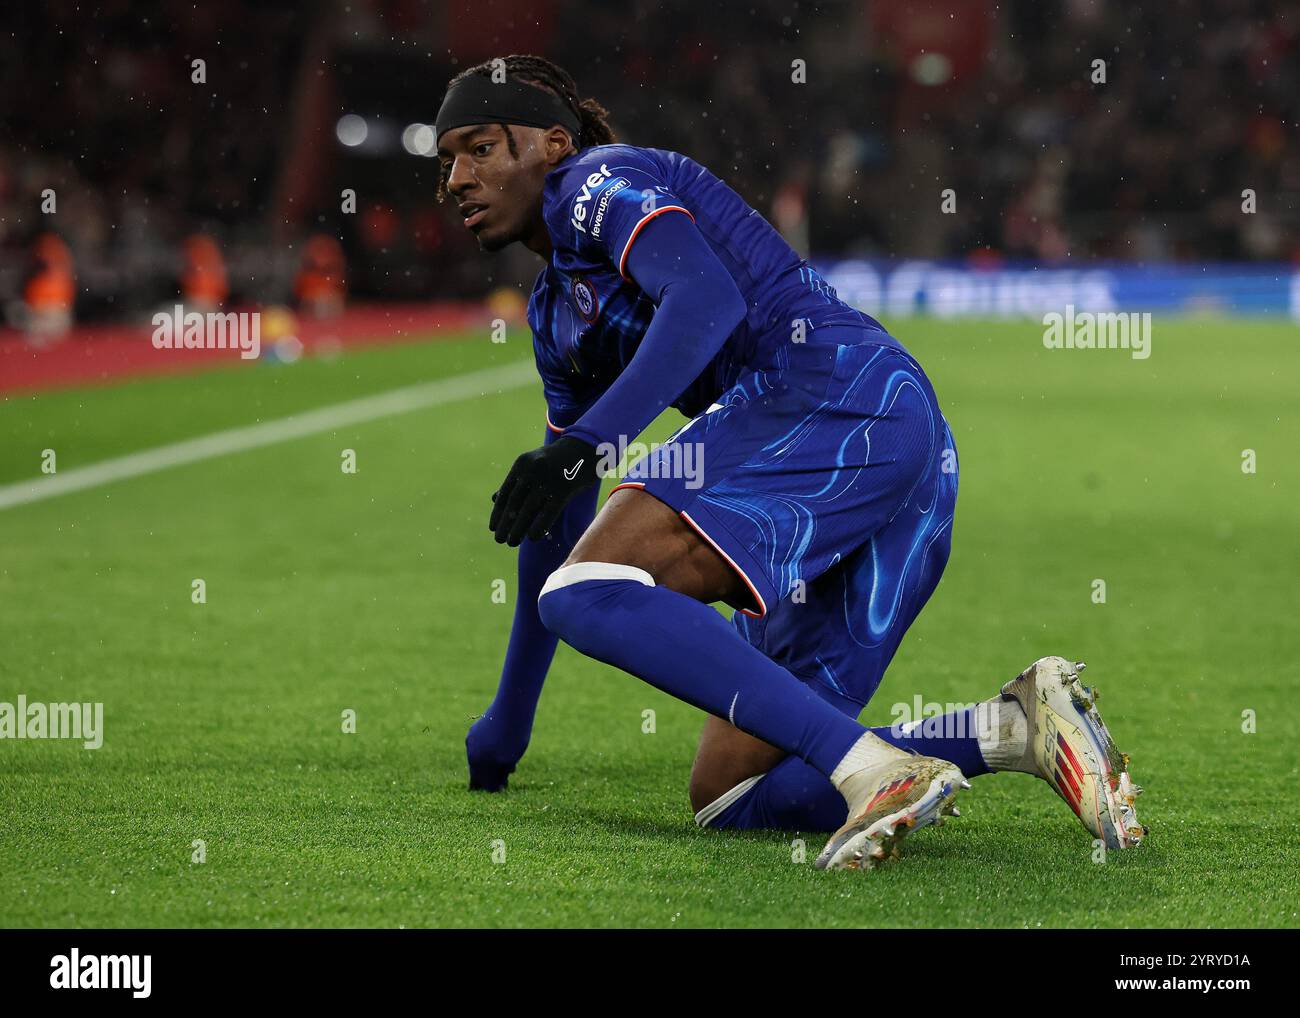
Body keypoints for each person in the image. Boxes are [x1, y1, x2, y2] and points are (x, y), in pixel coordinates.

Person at [438, 56, 1145, 869]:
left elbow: (707, 300)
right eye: (448, 160)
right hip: (889, 443)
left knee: (590, 588)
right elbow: (554, 525)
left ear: (552, 145)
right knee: (736, 800)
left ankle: (876, 772)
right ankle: (1015, 729)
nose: (458, 177)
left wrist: (582, 445)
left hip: (824, 393)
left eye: (481, 147)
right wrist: (507, 725)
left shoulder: (595, 181)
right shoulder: (557, 315)